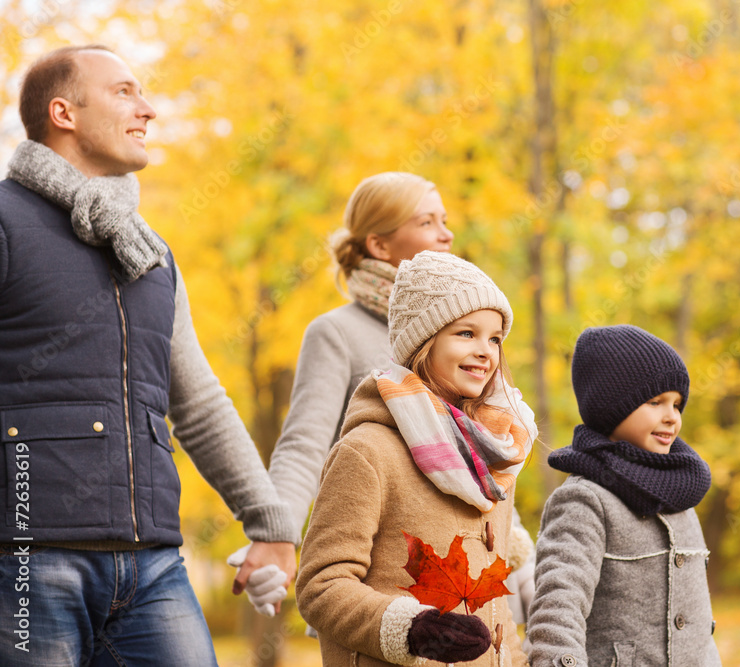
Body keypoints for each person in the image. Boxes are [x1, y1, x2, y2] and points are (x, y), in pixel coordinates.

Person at [0, 45, 296, 665]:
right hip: (25, 561)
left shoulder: (149, 251)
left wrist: (270, 523)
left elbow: (198, 400)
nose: (149, 110)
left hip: (153, 566)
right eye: (125, 92)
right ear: (64, 112)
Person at [236, 172, 536, 623]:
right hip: (390, 577)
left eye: (445, 220)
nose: (446, 232)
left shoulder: (472, 337)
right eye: (427, 221)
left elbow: (471, 455)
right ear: (379, 245)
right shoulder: (338, 332)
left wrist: (516, 545)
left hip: (471, 568)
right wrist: (276, 534)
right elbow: (305, 445)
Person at [296, 250, 537, 666]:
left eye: (495, 338)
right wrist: (410, 629)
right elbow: (322, 585)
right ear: (423, 341)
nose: (486, 351)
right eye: (466, 333)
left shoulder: (492, 460)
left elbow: (497, 616)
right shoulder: (368, 450)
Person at [528, 325, 722, 666]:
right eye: (655, 401)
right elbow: (559, 607)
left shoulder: (681, 490)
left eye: (677, 405)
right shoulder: (584, 500)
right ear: (610, 407)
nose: (671, 418)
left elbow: (697, 624)